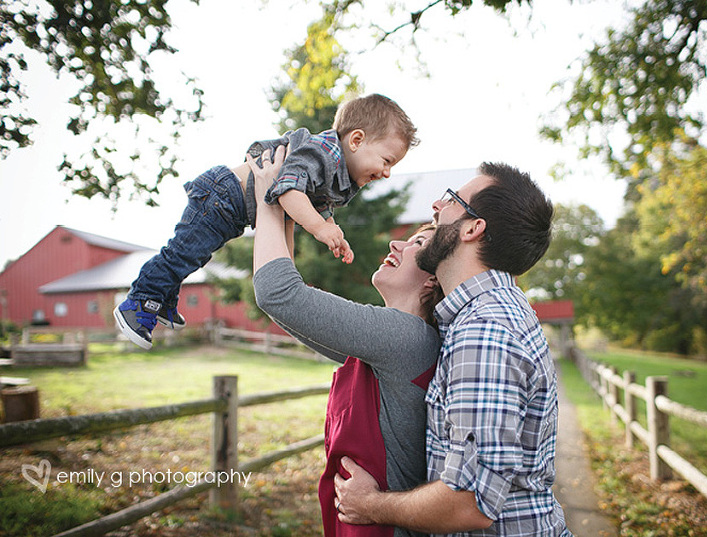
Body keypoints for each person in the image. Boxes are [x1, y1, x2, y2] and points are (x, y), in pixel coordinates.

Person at [334, 163, 573, 536]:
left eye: (451, 200)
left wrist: (370, 504)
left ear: (472, 228)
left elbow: (470, 502)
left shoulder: (484, 331)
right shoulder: (483, 314)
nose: (436, 206)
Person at [113, 94, 418, 350]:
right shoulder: (321, 152)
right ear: (357, 140)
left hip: (231, 208)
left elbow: (315, 201)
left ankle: (164, 298)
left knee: (195, 255)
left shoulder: (339, 173)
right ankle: (138, 303)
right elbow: (288, 189)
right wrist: (320, 227)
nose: (387, 172)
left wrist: (330, 226)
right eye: (387, 161)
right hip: (221, 195)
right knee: (183, 253)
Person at [249, 145, 443, 537]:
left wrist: (267, 198)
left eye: (417, 245)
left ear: (432, 282)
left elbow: (278, 294)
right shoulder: (393, 344)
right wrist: (289, 207)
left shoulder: (405, 338)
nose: (397, 244)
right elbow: (291, 310)